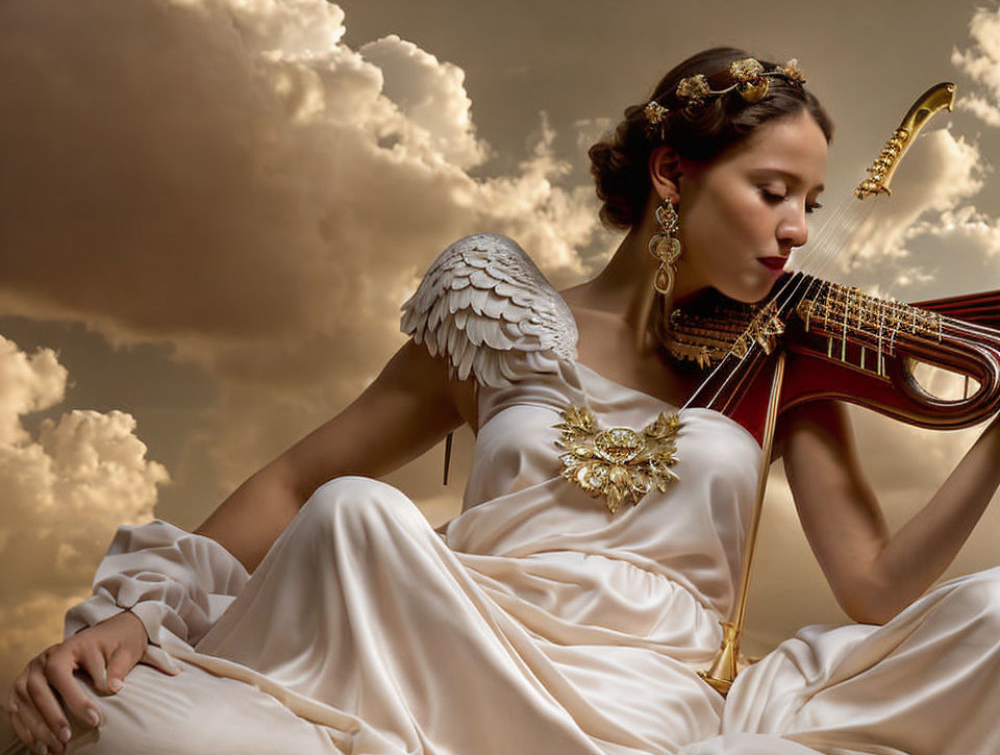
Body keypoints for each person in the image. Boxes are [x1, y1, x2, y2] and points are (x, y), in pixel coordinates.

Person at [8, 46, 1000, 755]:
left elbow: (873, 586)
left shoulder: (789, 362)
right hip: (448, 631)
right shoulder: (497, 309)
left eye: (809, 205)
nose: (794, 233)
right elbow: (301, 474)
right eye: (772, 190)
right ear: (671, 175)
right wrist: (141, 614)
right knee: (343, 524)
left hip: (638, 691)